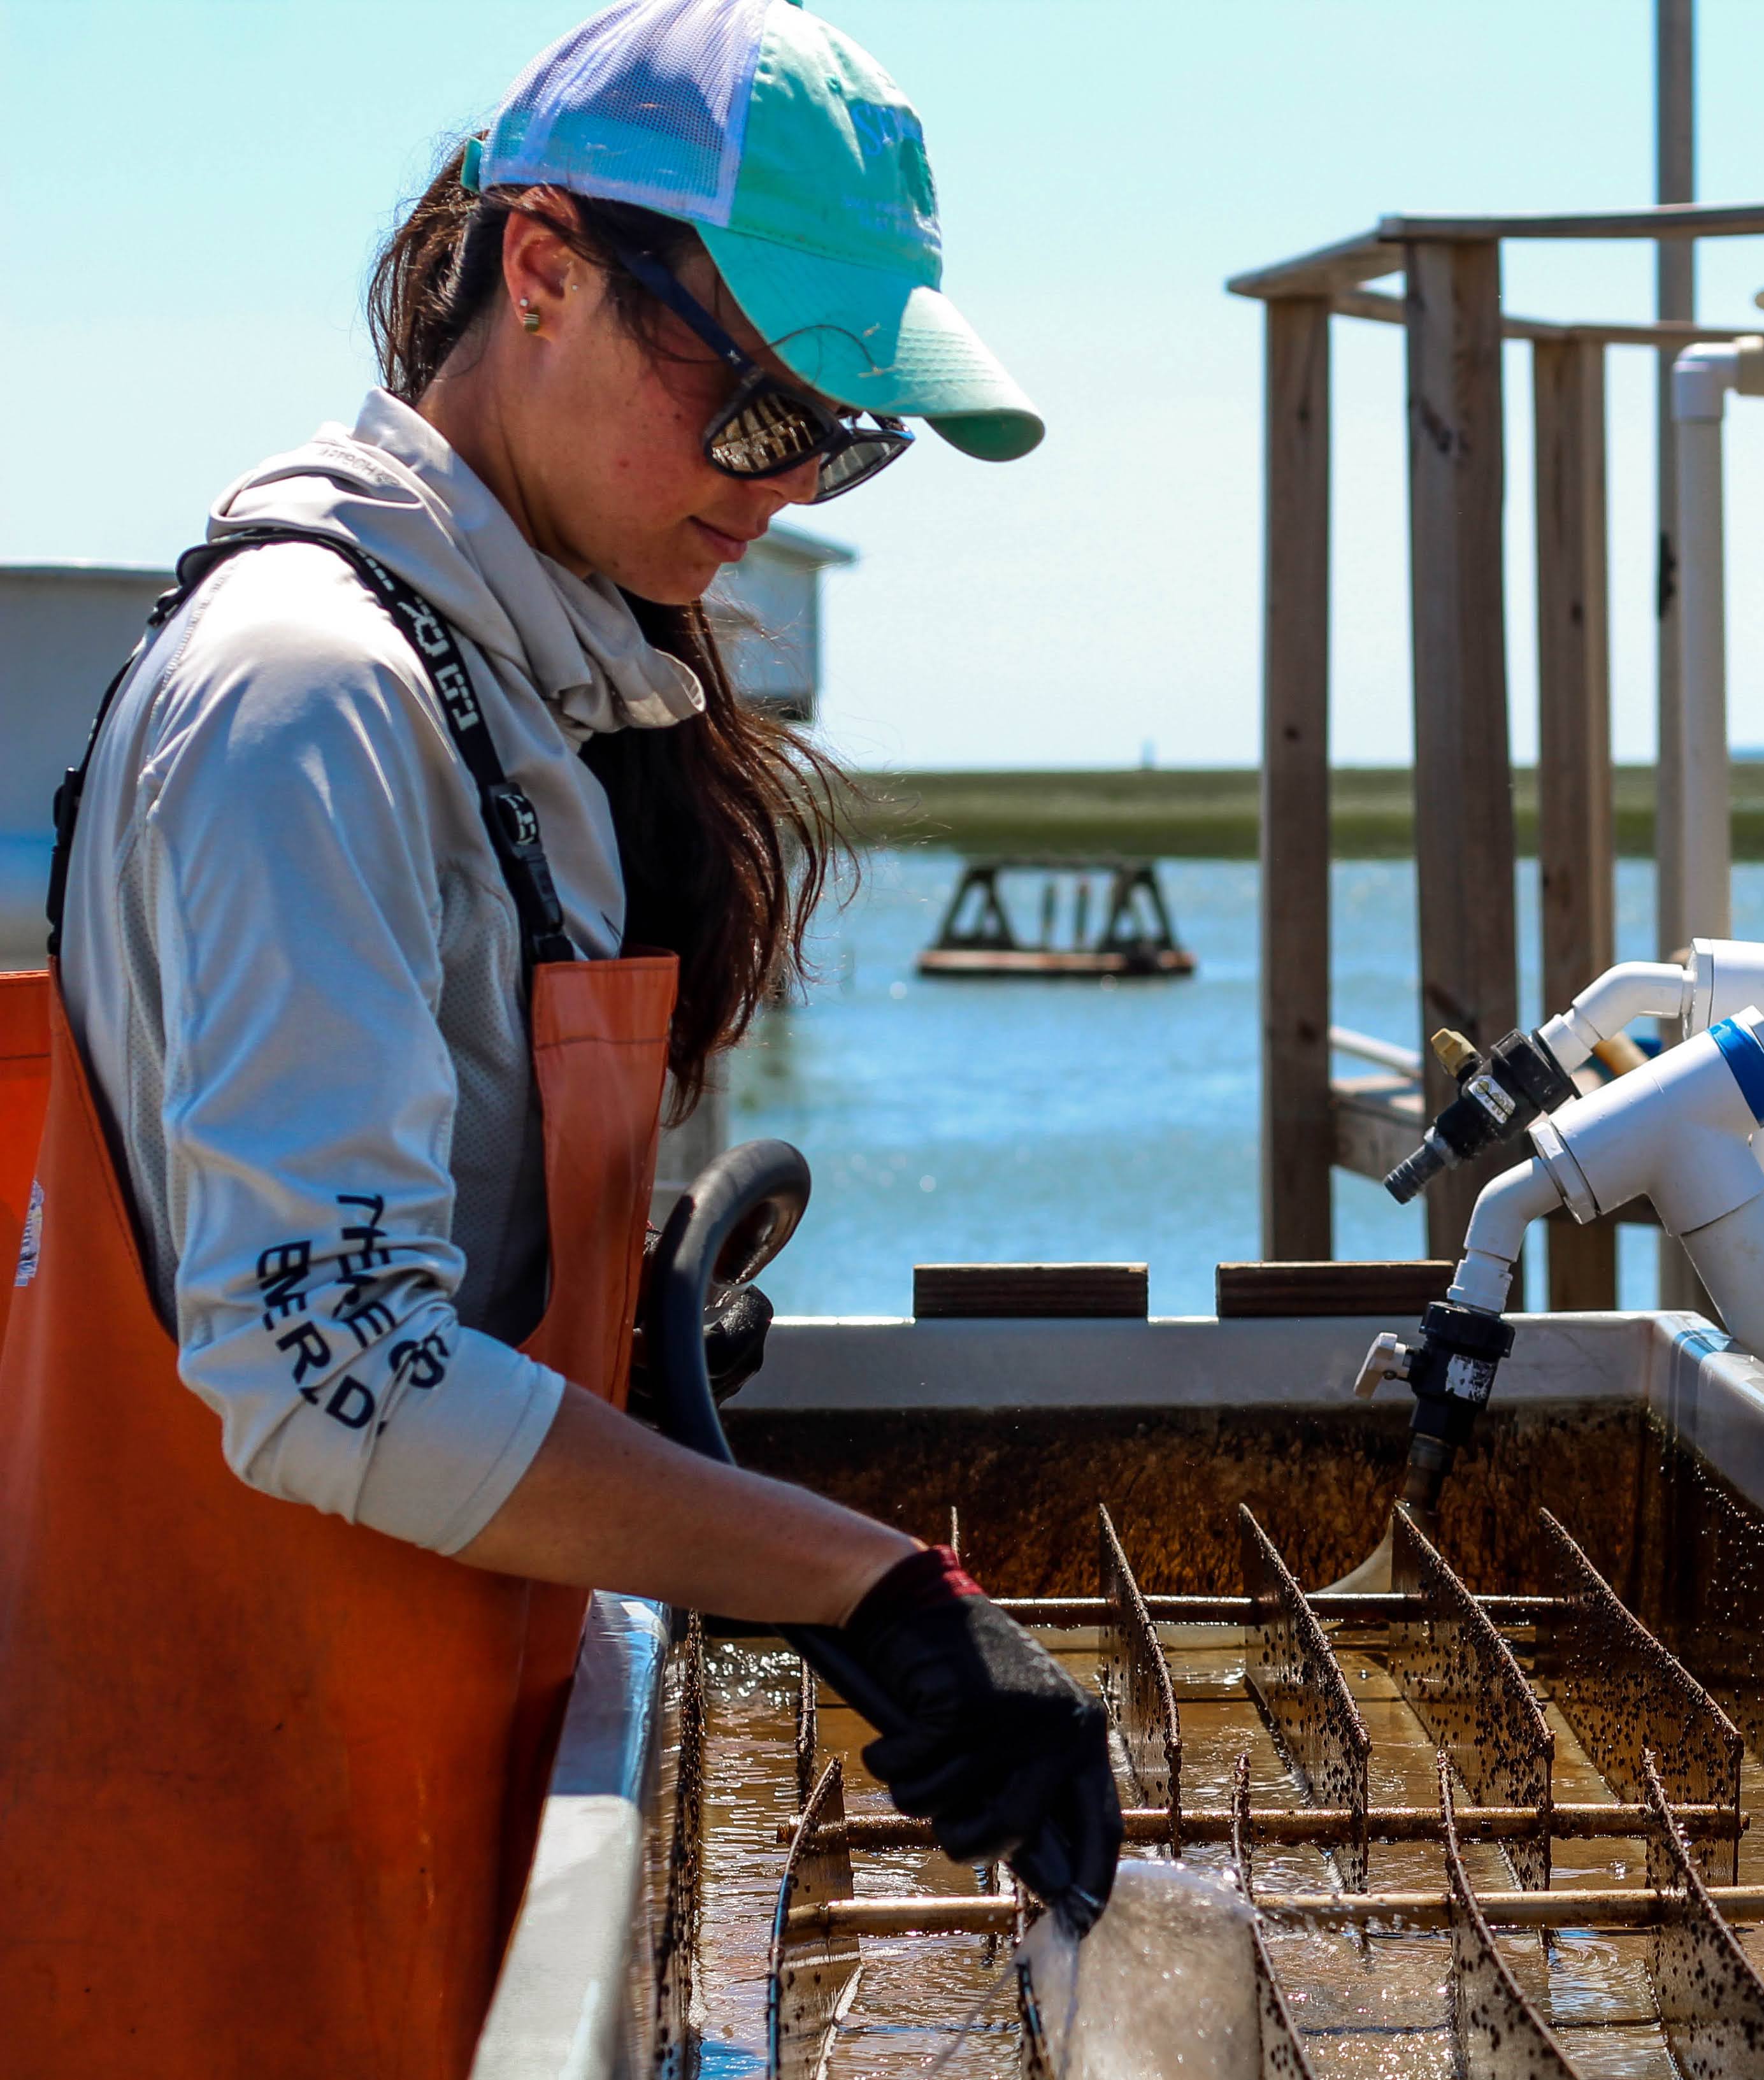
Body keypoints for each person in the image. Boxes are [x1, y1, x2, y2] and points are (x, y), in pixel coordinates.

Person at [0, 4, 1119, 2072]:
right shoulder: (303, 695)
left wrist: (617, 1333)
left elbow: (393, 1271)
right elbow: (324, 1369)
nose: (781, 486)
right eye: (758, 405)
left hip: (431, 1813)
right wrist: (873, 1588)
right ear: (542, 275)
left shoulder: (514, 682)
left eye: (838, 432)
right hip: (230, 1886)